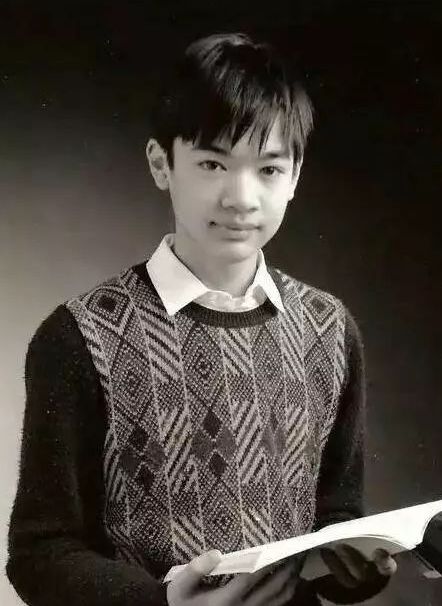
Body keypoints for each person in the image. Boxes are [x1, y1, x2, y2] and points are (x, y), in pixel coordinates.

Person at [6, 33, 397, 606]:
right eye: (213, 163)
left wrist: (362, 570)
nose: (241, 198)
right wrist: (161, 603)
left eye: (269, 169)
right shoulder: (78, 336)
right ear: (160, 163)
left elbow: (336, 518)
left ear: (295, 176)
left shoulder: (329, 328)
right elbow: (40, 553)